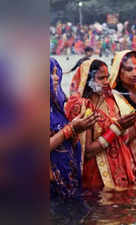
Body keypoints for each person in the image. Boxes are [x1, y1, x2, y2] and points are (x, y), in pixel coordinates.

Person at [65, 58, 136, 191]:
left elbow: (122, 139)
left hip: (120, 170)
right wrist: (117, 128)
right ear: (87, 80)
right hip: (97, 176)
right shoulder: (82, 106)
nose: (106, 82)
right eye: (101, 78)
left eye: (107, 77)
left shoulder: (109, 101)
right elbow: (87, 151)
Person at [49, 58, 97, 198]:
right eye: (51, 73)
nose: (57, 77)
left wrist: (78, 128)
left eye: (57, 73)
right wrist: (71, 129)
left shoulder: (57, 104)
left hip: (68, 178)